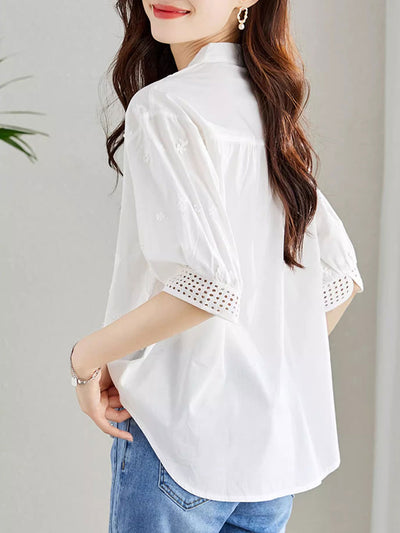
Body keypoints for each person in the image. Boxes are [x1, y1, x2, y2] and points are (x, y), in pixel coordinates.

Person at [70, 1, 365, 532]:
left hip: (179, 444)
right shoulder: (269, 105)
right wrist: (255, 365)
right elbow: (338, 278)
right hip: (267, 458)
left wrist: (88, 358)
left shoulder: (163, 106)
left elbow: (206, 287)